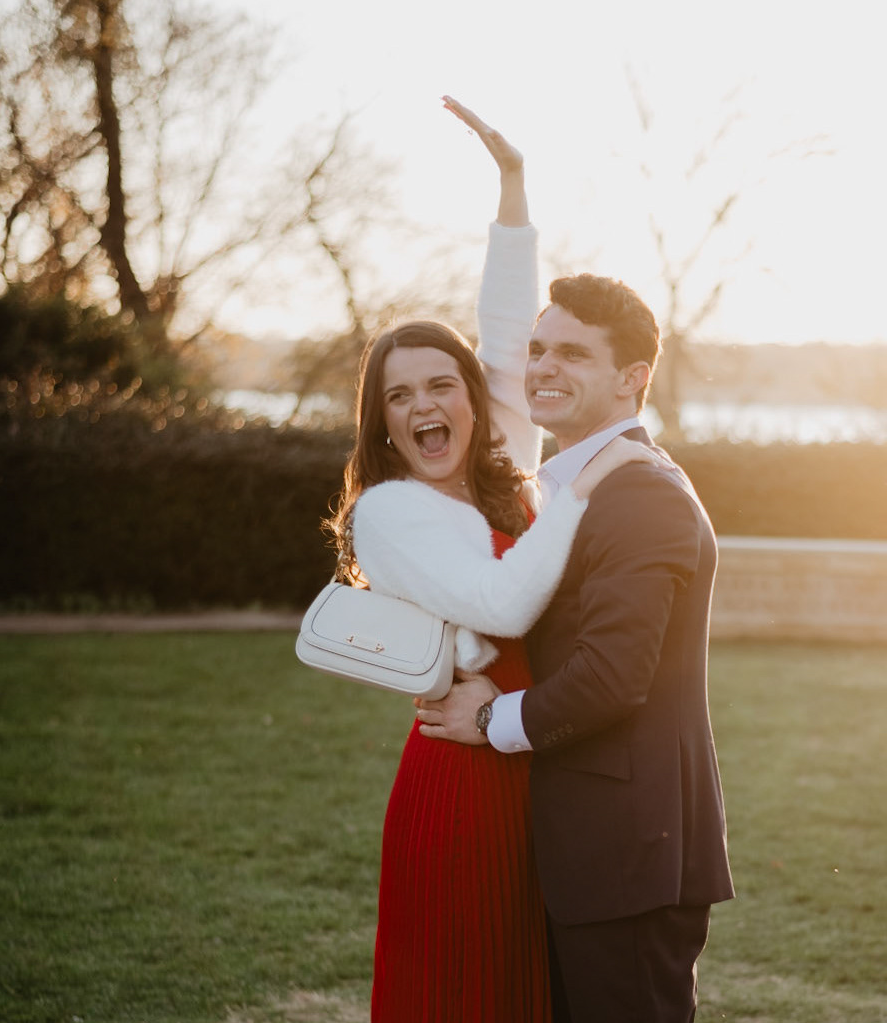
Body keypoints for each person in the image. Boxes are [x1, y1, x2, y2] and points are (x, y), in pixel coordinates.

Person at [328, 97, 655, 1023]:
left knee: (522, 991)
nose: (425, 406)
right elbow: (504, 604)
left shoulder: (501, 468)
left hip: (525, 758)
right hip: (460, 780)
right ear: (382, 422)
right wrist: (587, 484)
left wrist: (512, 185)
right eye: (400, 397)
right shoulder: (391, 512)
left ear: (474, 398)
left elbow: (507, 326)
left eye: (443, 384)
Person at [417, 270, 735, 1020]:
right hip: (589, 849)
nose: (543, 368)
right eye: (537, 349)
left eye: (573, 353)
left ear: (633, 378)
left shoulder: (641, 493)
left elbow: (613, 674)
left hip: (627, 854)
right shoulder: (575, 488)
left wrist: (488, 718)